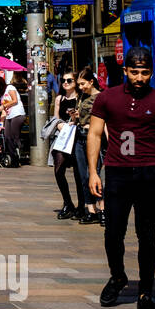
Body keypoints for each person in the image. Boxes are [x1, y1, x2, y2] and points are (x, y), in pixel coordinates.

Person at [86, 46, 155, 309]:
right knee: (113, 233)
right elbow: (95, 134)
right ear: (125, 71)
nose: (139, 77)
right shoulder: (107, 99)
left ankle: (146, 292)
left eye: (144, 72)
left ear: (151, 72)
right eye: (134, 72)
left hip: (149, 174)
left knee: (147, 235)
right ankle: (118, 277)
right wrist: (94, 172)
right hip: (117, 173)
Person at [73, 67, 105, 226]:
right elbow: (81, 117)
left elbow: (106, 121)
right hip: (80, 137)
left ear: (91, 82)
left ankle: (102, 209)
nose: (81, 87)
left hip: (94, 138)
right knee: (83, 176)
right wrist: (76, 116)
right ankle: (90, 210)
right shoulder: (82, 98)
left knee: (94, 174)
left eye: (83, 84)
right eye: (79, 84)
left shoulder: (102, 97)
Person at [51, 72, 83, 219]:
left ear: (75, 82)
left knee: (78, 173)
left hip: (76, 137)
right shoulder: (59, 98)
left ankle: (81, 206)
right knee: (58, 170)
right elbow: (56, 118)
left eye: (69, 80)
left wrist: (74, 121)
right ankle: (67, 202)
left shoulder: (80, 98)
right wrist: (59, 124)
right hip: (63, 137)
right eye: (63, 80)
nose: (65, 82)